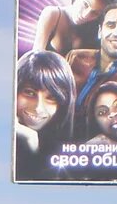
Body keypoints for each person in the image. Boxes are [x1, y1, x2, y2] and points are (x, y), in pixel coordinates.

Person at [14, 50, 76, 179]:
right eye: (29, 92)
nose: (38, 108)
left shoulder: (68, 162)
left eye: (51, 98)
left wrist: (31, 146)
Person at [32, 0, 117, 55]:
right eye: (85, 4)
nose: (85, 15)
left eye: (95, 13)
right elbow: (35, 56)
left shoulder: (95, 26)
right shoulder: (53, 14)